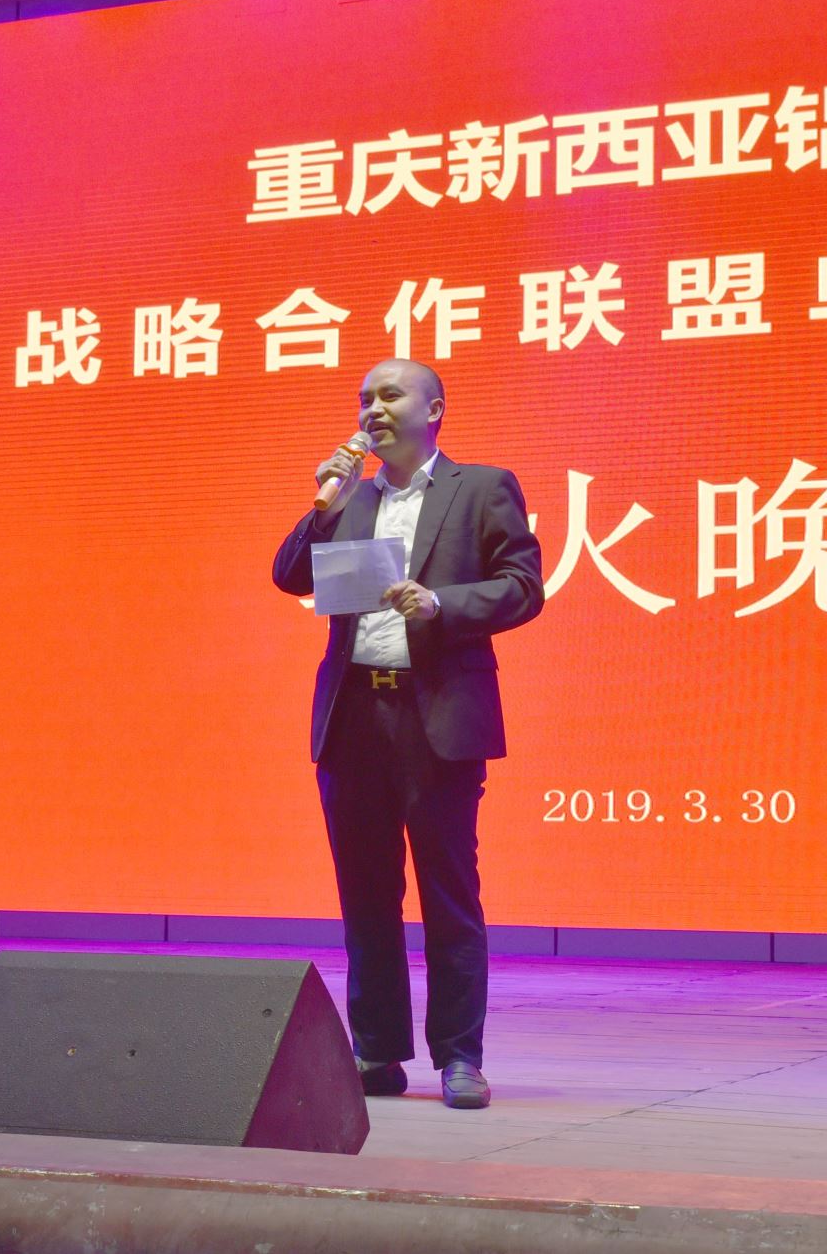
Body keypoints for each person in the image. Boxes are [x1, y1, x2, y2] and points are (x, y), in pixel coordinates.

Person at [271, 359, 544, 1109]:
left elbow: (524, 586)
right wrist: (324, 502)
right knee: (366, 896)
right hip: (354, 718)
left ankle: (460, 1058)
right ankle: (377, 1052)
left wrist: (440, 603)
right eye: (365, 398)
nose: (373, 409)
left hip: (438, 720)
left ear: (435, 409)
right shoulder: (351, 497)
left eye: (390, 395)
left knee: (448, 896)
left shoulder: (481, 488)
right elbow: (289, 576)